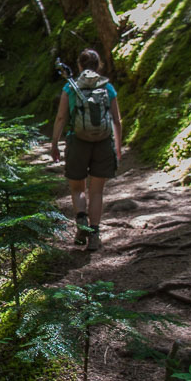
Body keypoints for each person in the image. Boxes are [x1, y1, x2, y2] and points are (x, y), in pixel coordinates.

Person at [50, 49, 122, 251]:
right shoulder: (107, 87)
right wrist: (118, 147)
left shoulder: (70, 87)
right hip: (103, 142)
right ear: (98, 65)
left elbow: (61, 118)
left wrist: (54, 144)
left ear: (80, 66)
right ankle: (95, 236)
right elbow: (116, 120)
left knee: (78, 188)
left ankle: (82, 222)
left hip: (77, 141)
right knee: (97, 191)